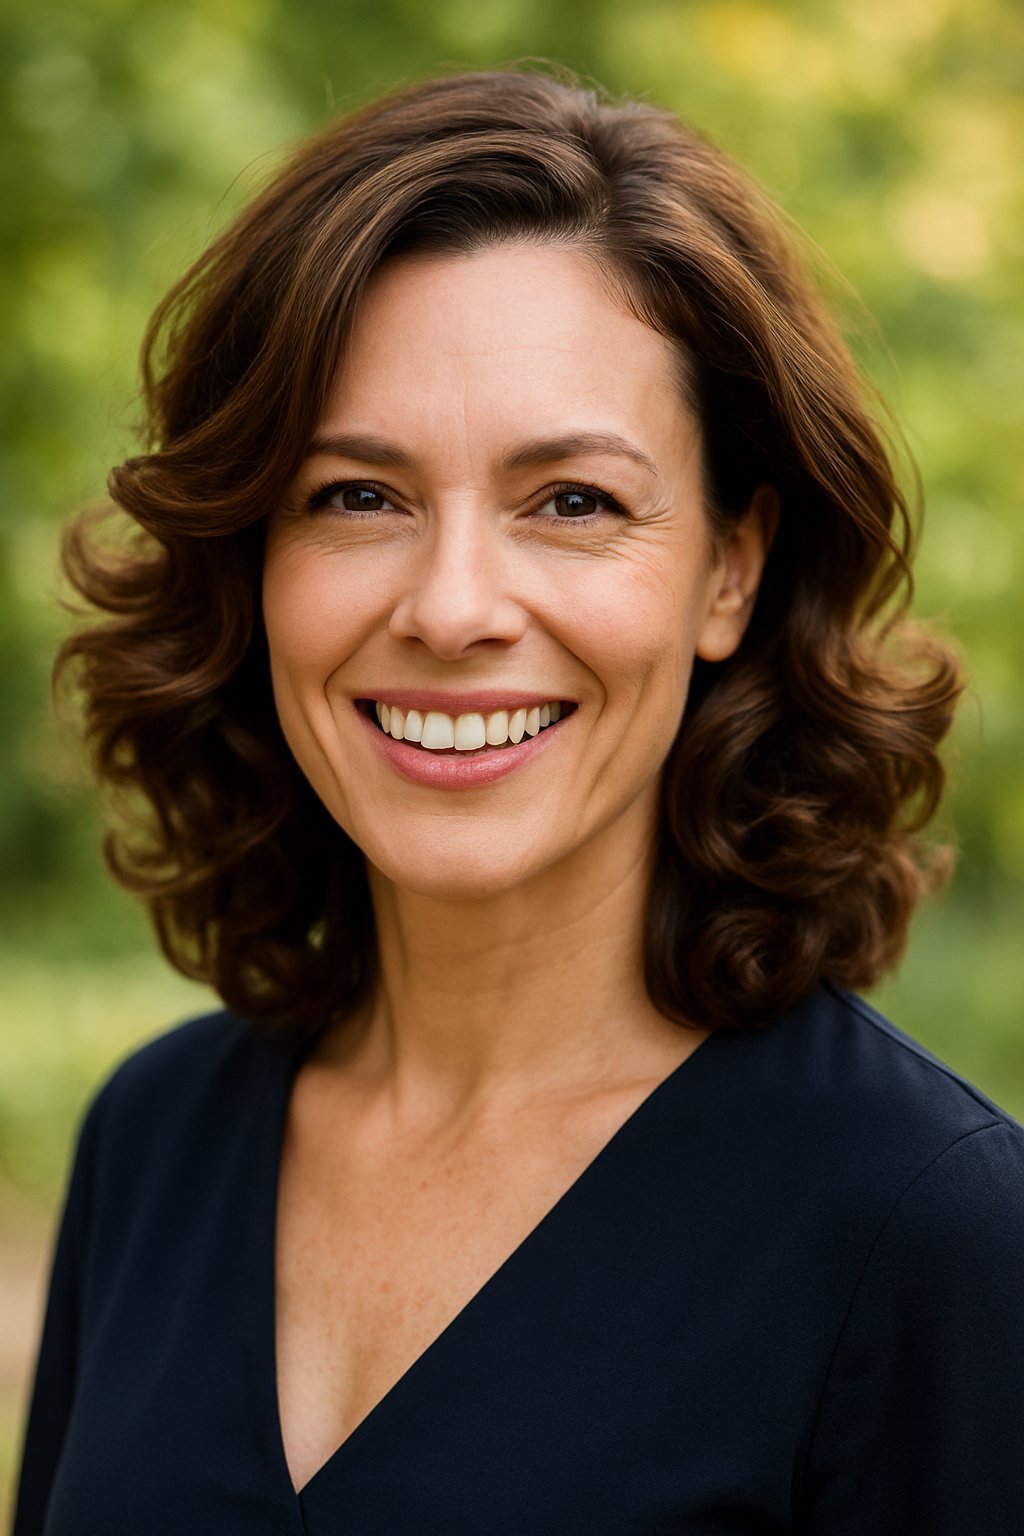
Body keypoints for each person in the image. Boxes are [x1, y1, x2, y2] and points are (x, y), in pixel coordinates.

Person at [13, 66, 1024, 1535]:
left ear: (730, 572)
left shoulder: (930, 1230)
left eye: (573, 502)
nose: (452, 607)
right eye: (358, 496)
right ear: (253, 556)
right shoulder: (154, 1140)